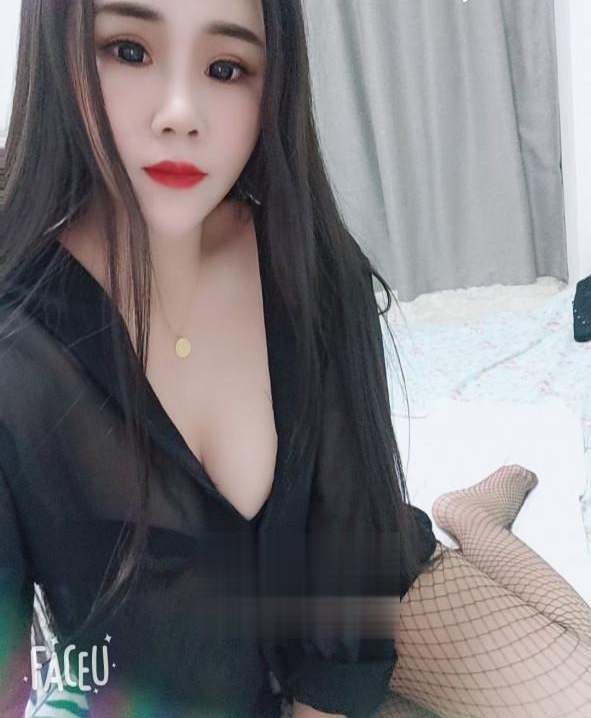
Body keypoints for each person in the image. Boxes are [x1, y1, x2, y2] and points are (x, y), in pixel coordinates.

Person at [0, 2, 589, 718]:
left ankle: (470, 518)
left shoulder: (308, 263)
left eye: (225, 68)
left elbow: (349, 529)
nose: (180, 113)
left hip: (359, 597)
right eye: (128, 50)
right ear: (55, 52)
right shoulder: (16, 346)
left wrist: (325, 704)